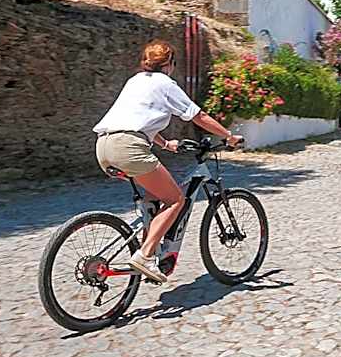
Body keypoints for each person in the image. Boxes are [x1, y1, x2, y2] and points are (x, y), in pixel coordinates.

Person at [93, 39, 242, 283]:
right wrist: (228, 136)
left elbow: (135, 118)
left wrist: (165, 144)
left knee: (154, 198)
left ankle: (148, 248)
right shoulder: (165, 83)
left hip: (104, 146)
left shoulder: (135, 81)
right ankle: (145, 255)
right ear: (170, 64)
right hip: (129, 147)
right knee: (175, 200)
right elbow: (199, 116)